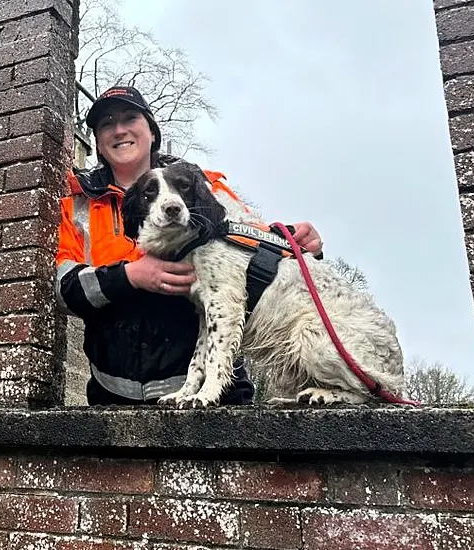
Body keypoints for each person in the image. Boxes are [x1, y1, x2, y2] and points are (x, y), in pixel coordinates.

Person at [55, 86, 324, 405]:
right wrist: (130, 276)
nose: (120, 129)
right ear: (97, 142)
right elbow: (63, 290)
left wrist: (303, 244)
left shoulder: (202, 185)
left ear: (152, 132)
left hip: (213, 397)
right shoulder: (76, 207)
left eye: (130, 118)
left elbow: (253, 247)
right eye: (106, 123)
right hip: (114, 397)